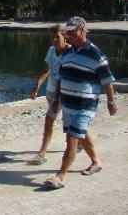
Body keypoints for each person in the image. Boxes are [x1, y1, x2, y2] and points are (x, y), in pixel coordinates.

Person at [44, 17, 117, 189]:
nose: (68, 35)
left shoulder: (95, 54)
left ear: (83, 31)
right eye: (67, 32)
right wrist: (55, 100)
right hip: (68, 105)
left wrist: (111, 101)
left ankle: (60, 177)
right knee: (81, 134)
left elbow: (107, 80)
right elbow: (60, 79)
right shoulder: (68, 53)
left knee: (72, 139)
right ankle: (96, 161)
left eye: (72, 32)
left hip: (85, 106)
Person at [29, 24, 70, 164]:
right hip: (51, 92)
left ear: (65, 36)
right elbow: (47, 69)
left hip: (66, 93)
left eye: (56, 37)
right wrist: (37, 85)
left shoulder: (71, 52)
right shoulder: (51, 50)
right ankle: (43, 153)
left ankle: (42, 153)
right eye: (52, 37)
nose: (54, 40)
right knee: (51, 121)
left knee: (59, 121)